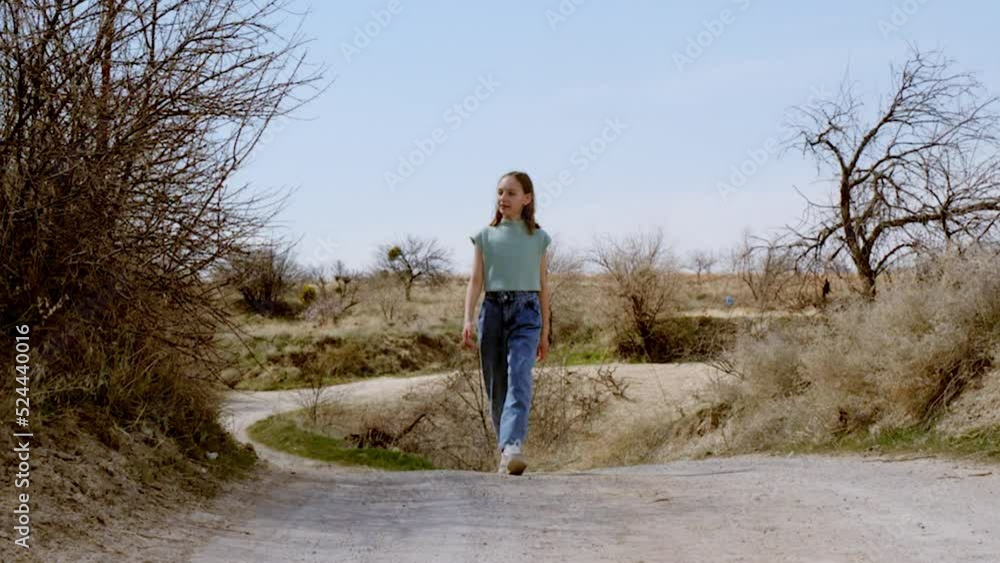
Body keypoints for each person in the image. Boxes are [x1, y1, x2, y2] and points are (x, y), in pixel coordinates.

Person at [462, 170, 551, 476]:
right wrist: (468, 319)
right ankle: (506, 453)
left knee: (519, 377)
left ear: (527, 198)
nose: (503, 198)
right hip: (492, 312)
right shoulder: (484, 236)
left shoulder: (538, 238)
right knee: (496, 385)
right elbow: (475, 281)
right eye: (500, 192)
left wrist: (545, 332)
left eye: (511, 193)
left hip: (527, 313)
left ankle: (513, 446)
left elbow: (543, 285)